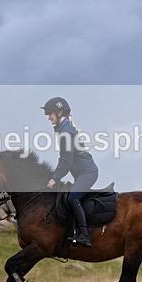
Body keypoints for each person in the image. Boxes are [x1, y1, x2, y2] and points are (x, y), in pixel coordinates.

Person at [42, 97, 98, 247]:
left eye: (50, 114)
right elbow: (64, 159)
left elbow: (67, 160)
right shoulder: (64, 130)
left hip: (87, 173)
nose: (49, 117)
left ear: (60, 113)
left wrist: (55, 178)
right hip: (80, 174)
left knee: (72, 198)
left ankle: (85, 236)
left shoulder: (66, 132)